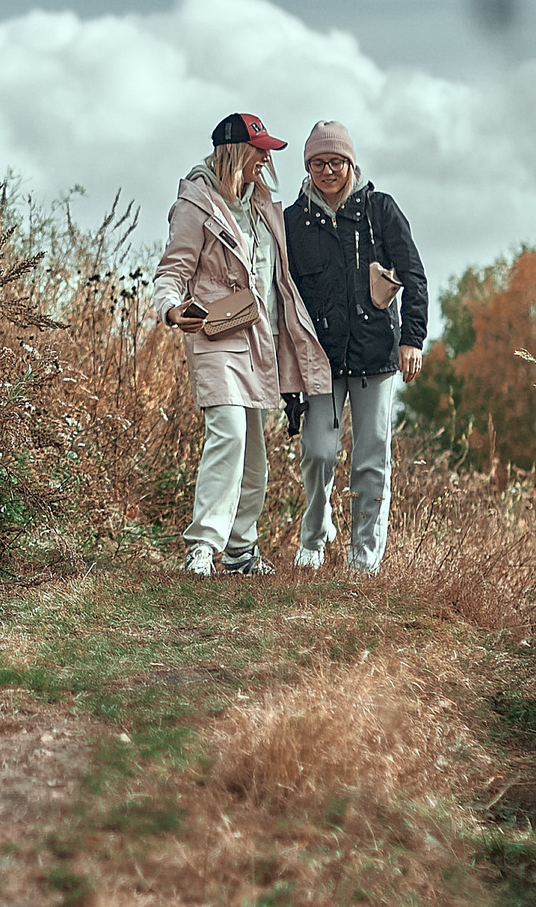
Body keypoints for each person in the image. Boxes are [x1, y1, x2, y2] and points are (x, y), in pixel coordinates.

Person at [151, 113, 333, 578]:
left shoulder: (263, 204)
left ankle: (241, 551)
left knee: (255, 460)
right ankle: (202, 547)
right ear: (236, 151)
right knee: (228, 434)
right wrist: (172, 309)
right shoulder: (196, 204)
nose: (267, 159)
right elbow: (172, 270)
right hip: (214, 335)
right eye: (260, 150)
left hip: (260, 340)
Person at [281, 121, 427, 574]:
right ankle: (314, 537)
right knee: (319, 452)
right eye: (318, 163)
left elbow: (414, 275)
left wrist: (412, 339)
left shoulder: (380, 211)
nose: (328, 170)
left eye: (336, 161)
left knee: (370, 460)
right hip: (318, 360)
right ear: (307, 167)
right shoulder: (291, 222)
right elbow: (282, 292)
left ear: (351, 162)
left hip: (376, 357)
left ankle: (365, 558)